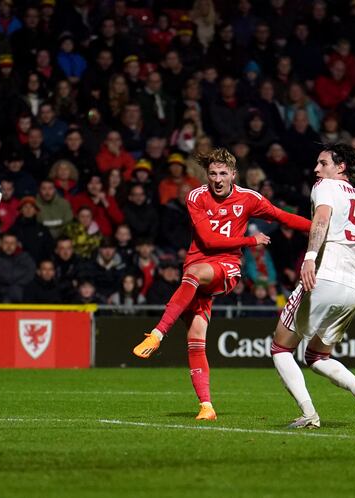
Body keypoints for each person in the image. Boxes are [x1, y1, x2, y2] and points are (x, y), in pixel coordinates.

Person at [132, 147, 312, 421]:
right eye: (213, 173)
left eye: (223, 173)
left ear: (233, 175)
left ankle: (157, 333)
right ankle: (206, 406)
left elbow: (281, 216)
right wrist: (251, 240)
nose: (217, 179)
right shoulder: (196, 197)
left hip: (225, 268)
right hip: (198, 271)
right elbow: (209, 241)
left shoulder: (248, 198)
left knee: (193, 274)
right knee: (195, 340)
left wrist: (318, 227)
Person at [271, 143, 355, 430]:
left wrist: (308, 258)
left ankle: (309, 414)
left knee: (281, 348)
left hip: (323, 278)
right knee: (317, 355)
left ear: (340, 167)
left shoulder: (325, 188)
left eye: (323, 163)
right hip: (352, 289)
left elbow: (321, 220)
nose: (317, 170)